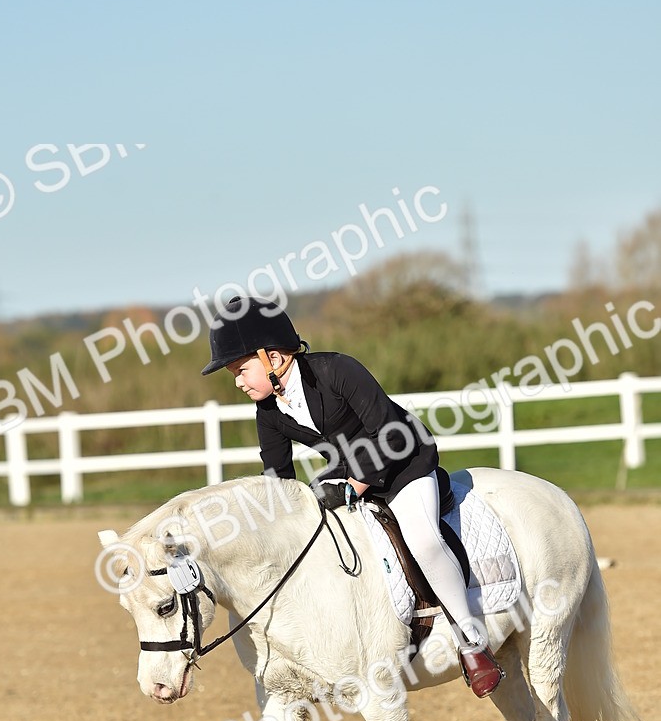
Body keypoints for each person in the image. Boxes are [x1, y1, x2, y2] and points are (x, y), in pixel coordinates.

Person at [201, 295, 504, 697]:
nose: (237, 381)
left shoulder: (337, 370)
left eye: (241, 370)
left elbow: (390, 435)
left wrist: (351, 487)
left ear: (273, 357)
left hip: (404, 462)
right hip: (346, 474)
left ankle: (472, 643)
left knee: (424, 539)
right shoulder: (269, 412)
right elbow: (278, 478)